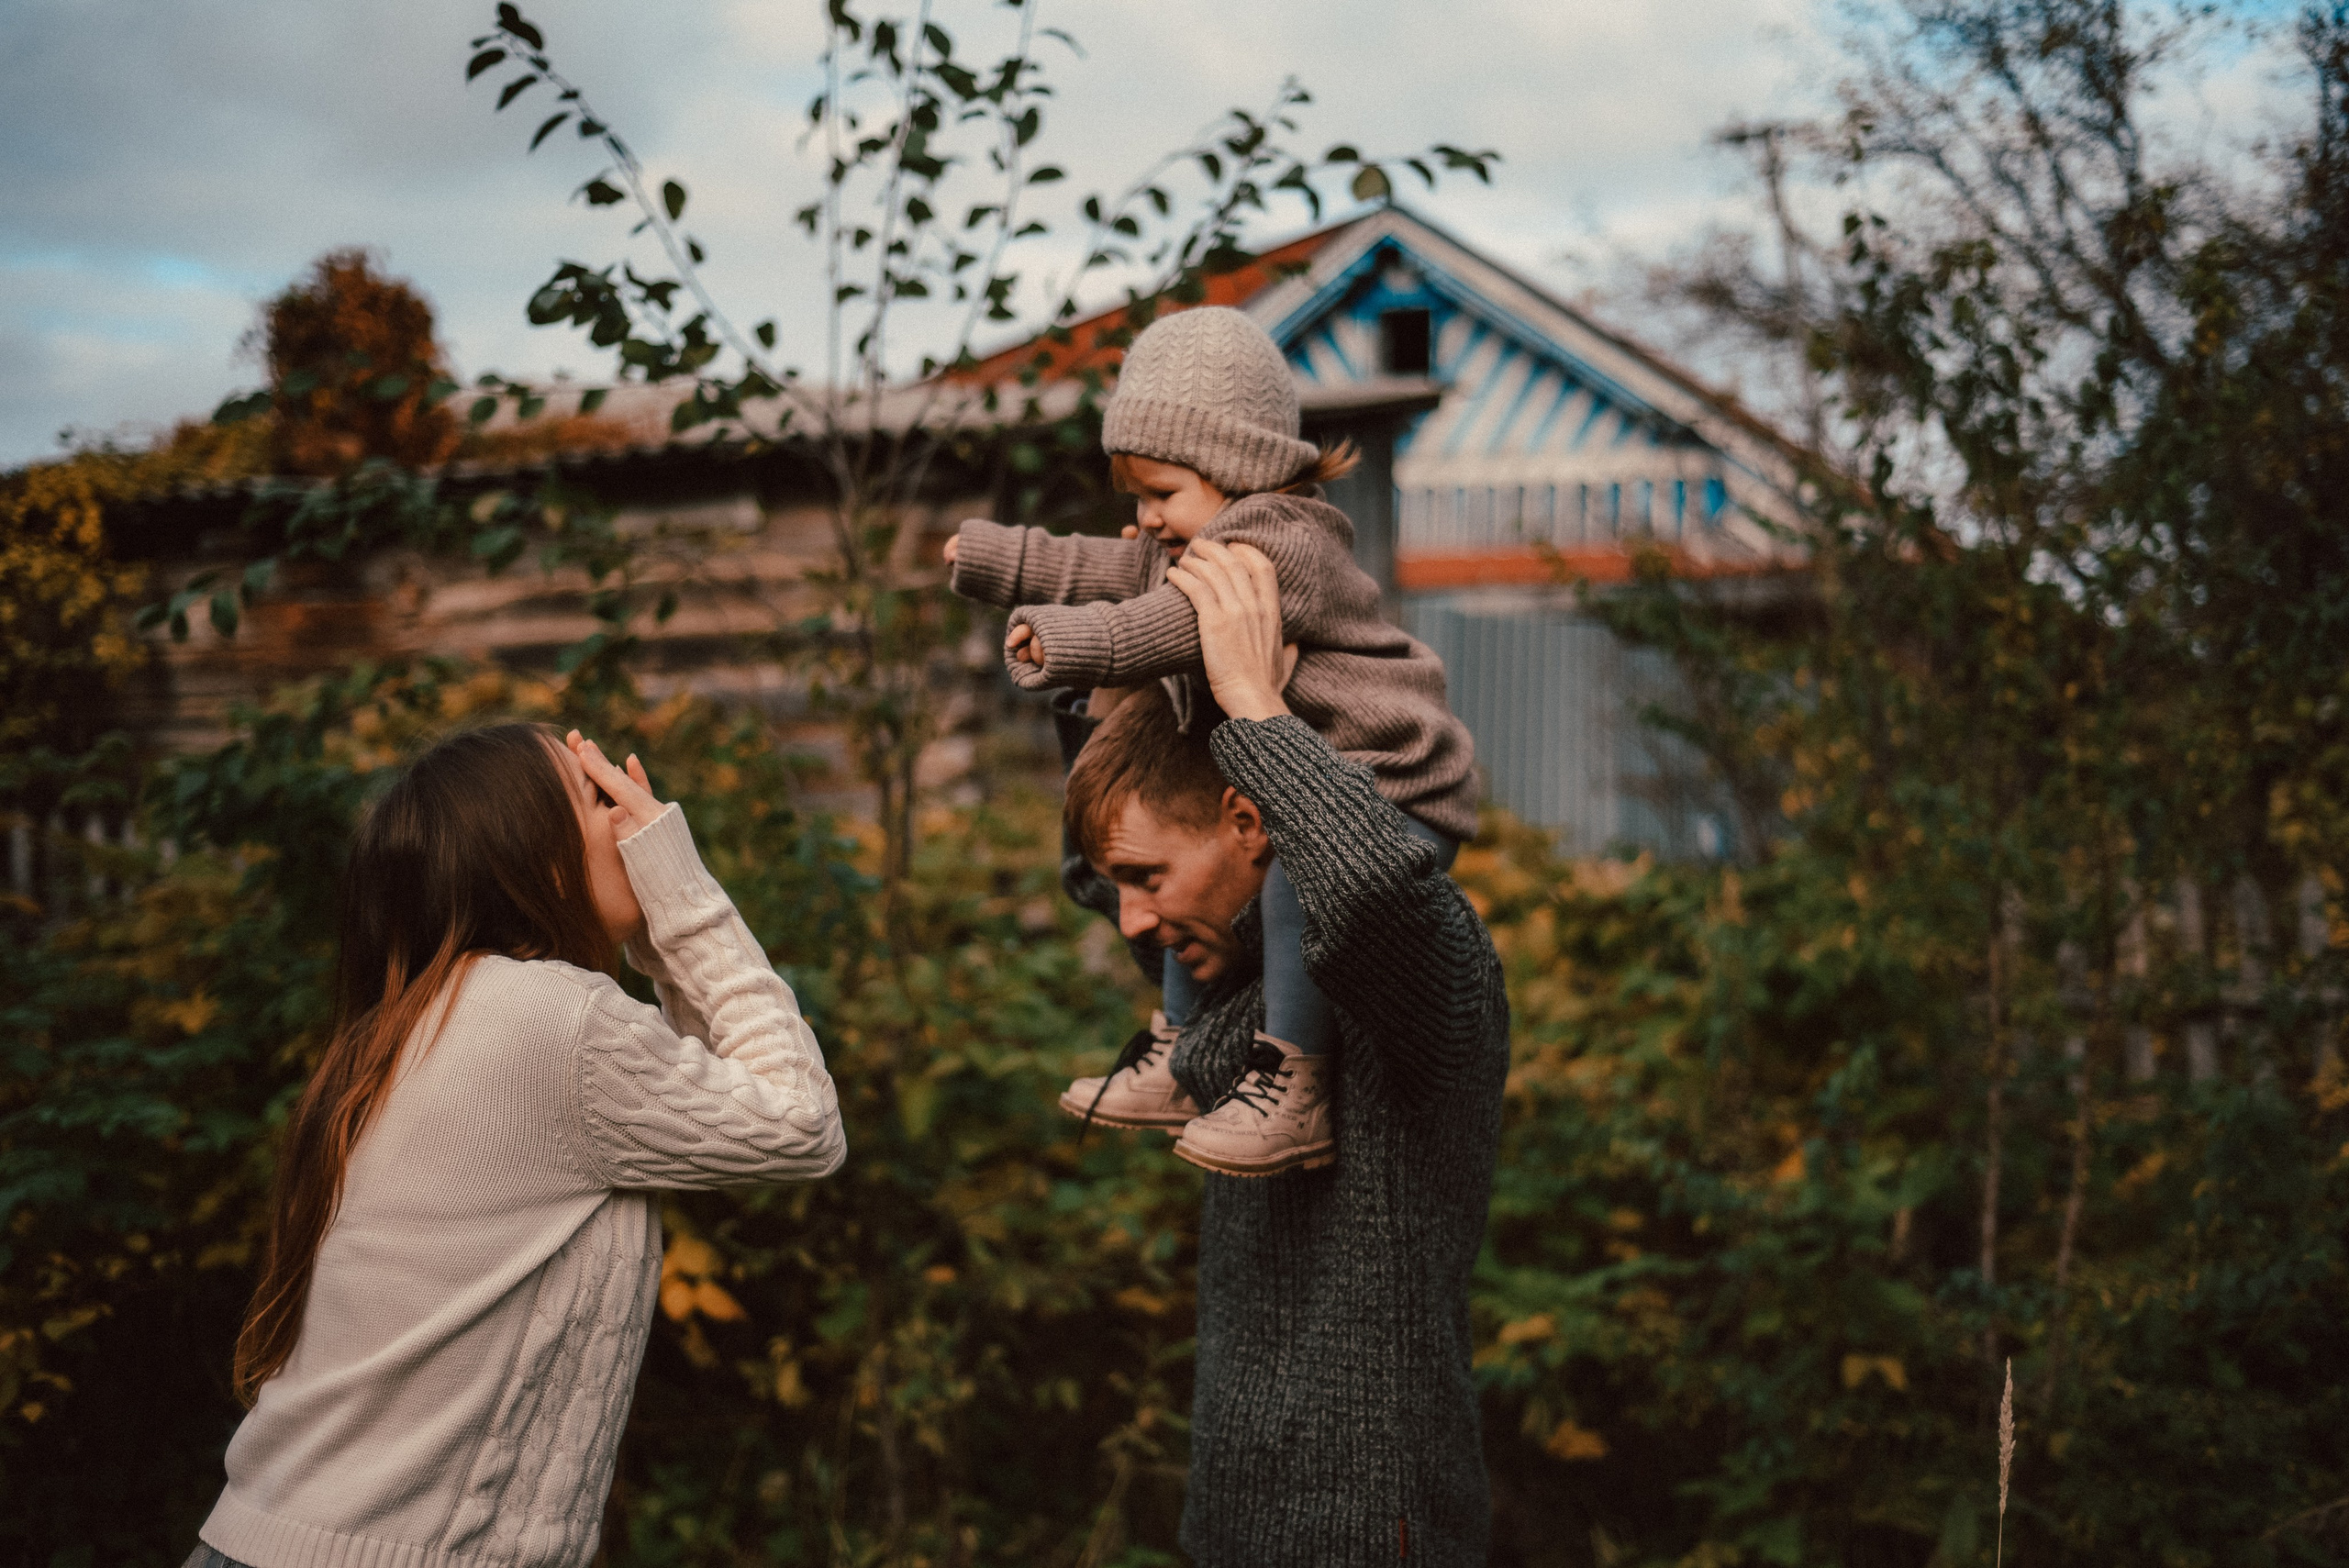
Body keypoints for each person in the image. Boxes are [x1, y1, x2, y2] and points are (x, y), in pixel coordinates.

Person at [184, 723, 844, 1568]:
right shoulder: (546, 1021)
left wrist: (655, 932)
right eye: (593, 797)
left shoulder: (430, 1019)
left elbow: (732, 1100)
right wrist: (681, 893)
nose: (623, 818)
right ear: (532, 853)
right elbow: (799, 1123)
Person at [1053, 538, 1510, 1566]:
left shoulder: (1419, 975)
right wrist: (1097, 672)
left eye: (1147, 876)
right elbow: (1112, 862)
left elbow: (1374, 885)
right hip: (1233, 1515)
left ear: (1251, 820)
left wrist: (1258, 706)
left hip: (1369, 1529)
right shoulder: (1239, 993)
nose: (1126, 919)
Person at [945, 305, 1478, 1175]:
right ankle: (1184, 1049)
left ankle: (1292, 1080)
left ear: (1235, 469)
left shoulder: (1279, 544)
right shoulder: (1203, 541)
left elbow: (1165, 619)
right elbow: (1101, 567)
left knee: (1292, 886)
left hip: (1395, 788)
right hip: (1315, 790)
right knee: (1243, 896)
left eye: (1162, 493)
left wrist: (1072, 643)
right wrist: (991, 559)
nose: (1148, 518)